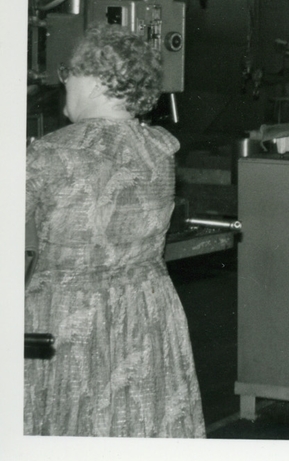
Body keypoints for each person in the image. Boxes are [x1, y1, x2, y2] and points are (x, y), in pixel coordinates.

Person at [25, 25, 205, 437]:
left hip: (68, 315)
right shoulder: (161, 149)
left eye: (68, 72)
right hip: (145, 309)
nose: (64, 82)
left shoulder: (52, 153)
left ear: (94, 80)